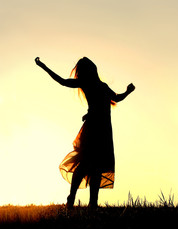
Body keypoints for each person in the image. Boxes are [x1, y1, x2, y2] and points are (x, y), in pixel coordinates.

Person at [35, 57, 135, 208]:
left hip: (103, 130)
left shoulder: (102, 86)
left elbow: (116, 98)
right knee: (86, 164)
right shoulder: (86, 83)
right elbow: (63, 81)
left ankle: (92, 203)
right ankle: (72, 197)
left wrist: (127, 92)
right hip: (94, 129)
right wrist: (43, 66)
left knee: (97, 167)